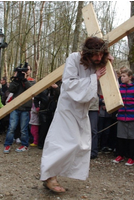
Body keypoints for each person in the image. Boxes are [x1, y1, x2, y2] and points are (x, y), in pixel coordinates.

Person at [40, 36, 109, 193]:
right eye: (96, 54)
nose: (99, 58)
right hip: (68, 107)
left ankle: (52, 174)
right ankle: (50, 177)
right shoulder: (73, 58)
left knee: (79, 144)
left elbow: (100, 87)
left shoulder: (97, 63)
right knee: (62, 142)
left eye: (101, 55)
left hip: (82, 110)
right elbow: (69, 83)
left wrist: (106, 66)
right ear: (87, 53)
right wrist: (94, 77)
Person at [112, 69, 134, 166]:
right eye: (121, 76)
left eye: (124, 76)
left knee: (132, 138)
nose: (122, 78)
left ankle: (131, 157)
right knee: (121, 137)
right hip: (122, 116)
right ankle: (120, 155)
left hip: (133, 116)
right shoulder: (120, 88)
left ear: (130, 77)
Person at [3, 64, 35, 153]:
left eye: (27, 70)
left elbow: (31, 90)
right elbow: (12, 89)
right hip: (15, 106)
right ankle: (7, 145)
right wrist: (17, 79)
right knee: (11, 127)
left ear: (30, 71)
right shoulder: (16, 80)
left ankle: (24, 145)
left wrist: (24, 80)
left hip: (25, 107)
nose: (25, 72)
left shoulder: (32, 81)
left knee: (23, 129)